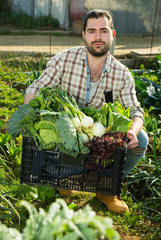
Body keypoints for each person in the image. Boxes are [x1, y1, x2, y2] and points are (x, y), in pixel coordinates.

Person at [24, 9, 148, 214]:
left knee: (141, 140)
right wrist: (31, 116)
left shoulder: (122, 74)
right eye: (92, 31)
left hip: (98, 134)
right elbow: (35, 89)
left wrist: (133, 131)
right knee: (56, 159)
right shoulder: (64, 60)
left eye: (103, 31)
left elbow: (136, 111)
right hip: (67, 134)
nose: (98, 37)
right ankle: (66, 179)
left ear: (113, 35)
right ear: (84, 35)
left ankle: (105, 188)